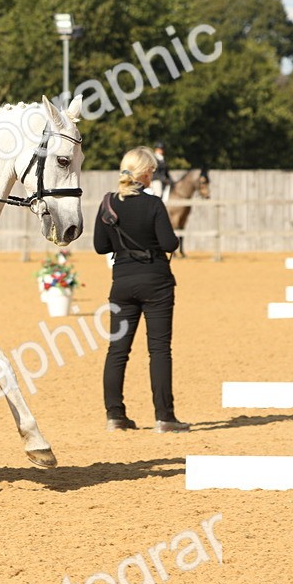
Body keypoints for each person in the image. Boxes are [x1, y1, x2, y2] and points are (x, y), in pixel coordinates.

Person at [94, 146, 189, 433]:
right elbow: (170, 244)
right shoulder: (154, 204)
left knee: (117, 351)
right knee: (159, 350)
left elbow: (100, 246)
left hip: (122, 282)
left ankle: (115, 415)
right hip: (156, 281)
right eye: (152, 171)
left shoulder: (108, 203)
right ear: (145, 173)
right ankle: (165, 417)